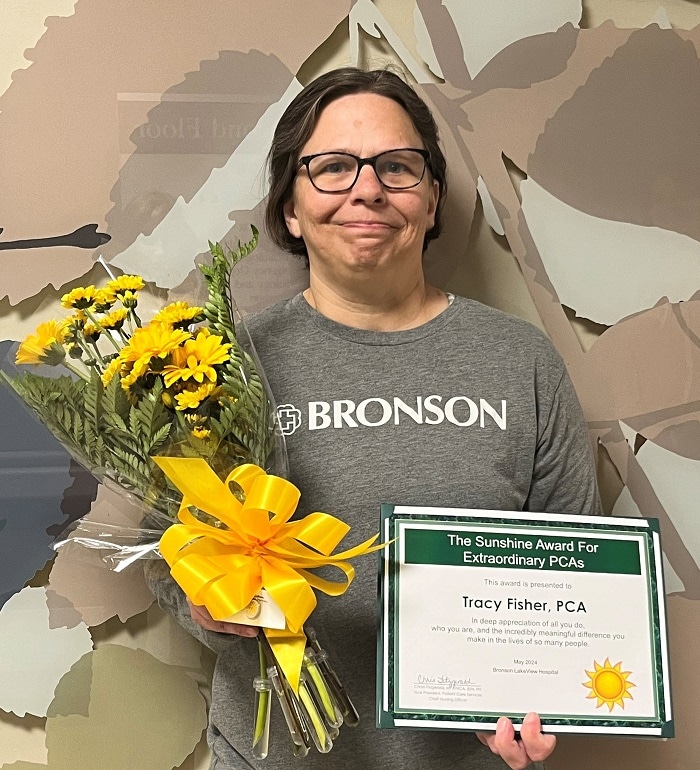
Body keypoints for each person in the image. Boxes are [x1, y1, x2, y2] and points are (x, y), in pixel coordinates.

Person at [147, 67, 602, 770]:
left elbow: (578, 563)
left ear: (429, 199)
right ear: (290, 207)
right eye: (332, 167)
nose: (368, 189)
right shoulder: (222, 365)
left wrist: (545, 687)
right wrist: (204, 599)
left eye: (397, 166)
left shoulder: (520, 359)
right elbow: (165, 549)